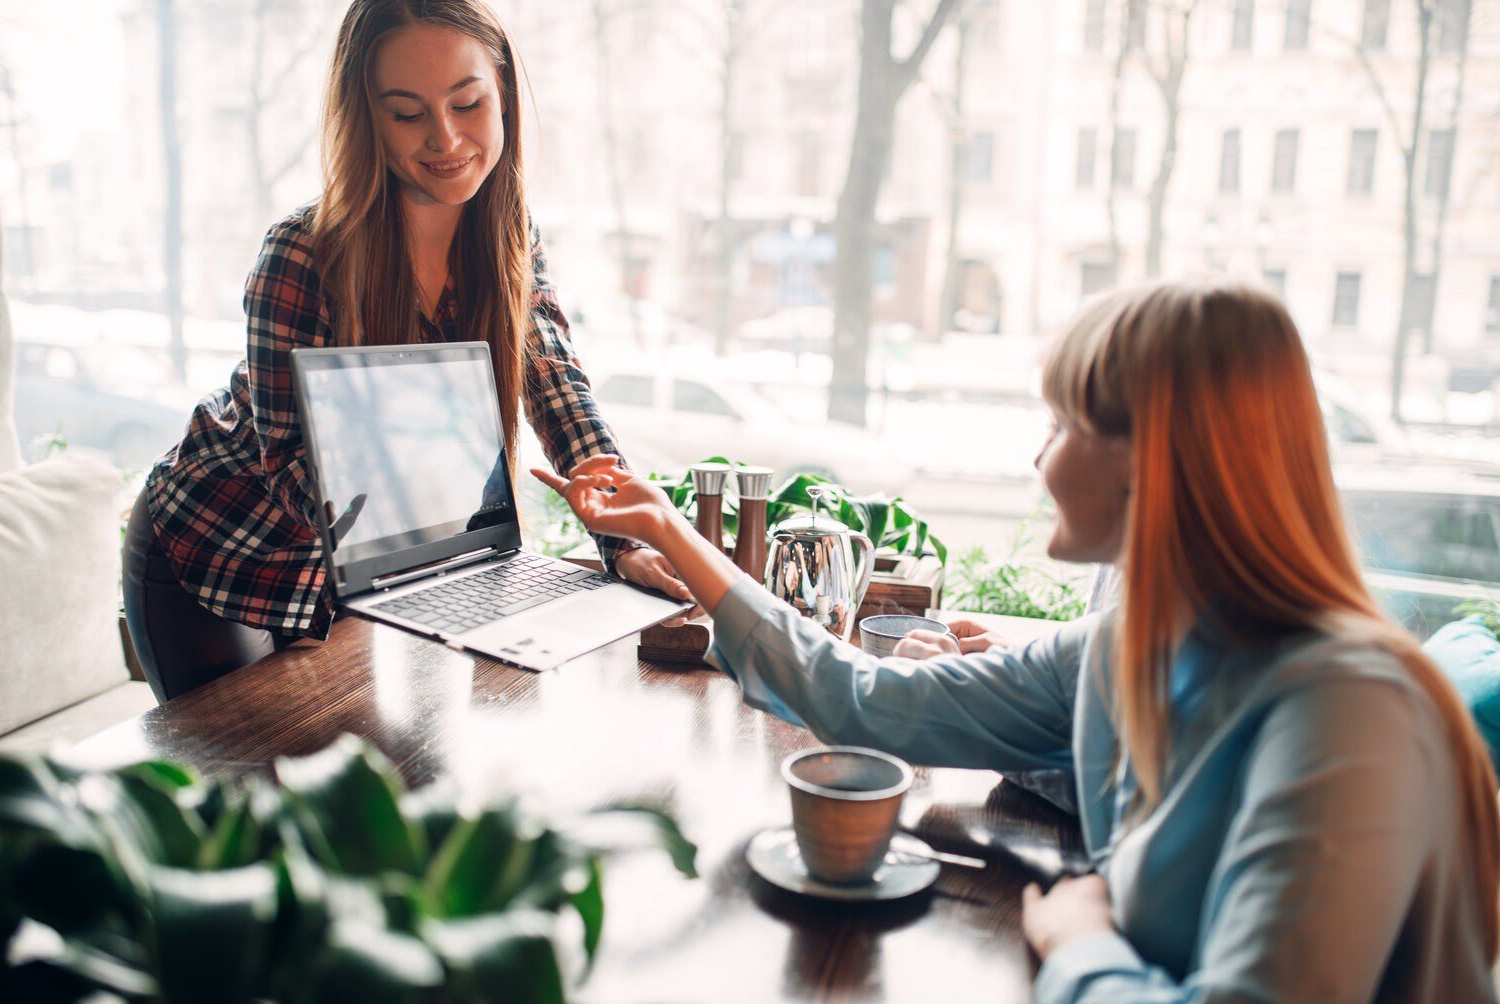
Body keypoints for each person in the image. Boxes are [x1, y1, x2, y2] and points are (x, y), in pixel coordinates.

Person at [535, 279, 1500, 1002]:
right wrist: (672, 532)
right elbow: (862, 699)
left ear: (1151, 462)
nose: (1037, 456)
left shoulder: (1349, 715)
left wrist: (1082, 944)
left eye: (1062, 420)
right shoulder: (1133, 642)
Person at [124, 0, 689, 703]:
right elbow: (293, 473)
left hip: (349, 573)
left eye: (467, 101)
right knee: (250, 788)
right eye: (407, 113)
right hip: (219, 549)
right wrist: (431, 541)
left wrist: (627, 540)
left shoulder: (508, 236)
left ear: (503, 93)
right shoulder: (302, 252)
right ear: (368, 118)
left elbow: (557, 388)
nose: (446, 137)